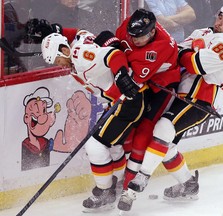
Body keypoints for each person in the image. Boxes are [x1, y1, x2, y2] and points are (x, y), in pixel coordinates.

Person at [123, 2, 223, 212]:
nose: (220, 22)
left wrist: (191, 53)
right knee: (166, 145)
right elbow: (177, 52)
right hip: (179, 96)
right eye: (220, 16)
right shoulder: (202, 32)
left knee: (163, 128)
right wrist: (191, 53)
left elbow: (198, 65)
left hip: (200, 101)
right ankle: (188, 183)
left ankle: (140, 179)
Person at [41, 30, 147, 210]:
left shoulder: (79, 54)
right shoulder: (75, 61)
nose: (61, 66)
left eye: (59, 61)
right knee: (113, 146)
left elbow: (114, 55)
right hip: (121, 101)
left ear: (64, 50)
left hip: (128, 100)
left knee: (95, 145)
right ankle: (118, 183)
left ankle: (105, 191)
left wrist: (122, 76)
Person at [114, 8, 181, 211]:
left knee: (144, 130)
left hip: (161, 87)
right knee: (127, 128)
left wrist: (122, 67)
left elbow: (134, 78)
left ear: (152, 32)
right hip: (143, 82)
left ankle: (129, 189)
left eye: (140, 37)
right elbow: (116, 46)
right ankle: (126, 174)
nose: (134, 40)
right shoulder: (131, 25)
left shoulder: (162, 46)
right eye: (132, 36)